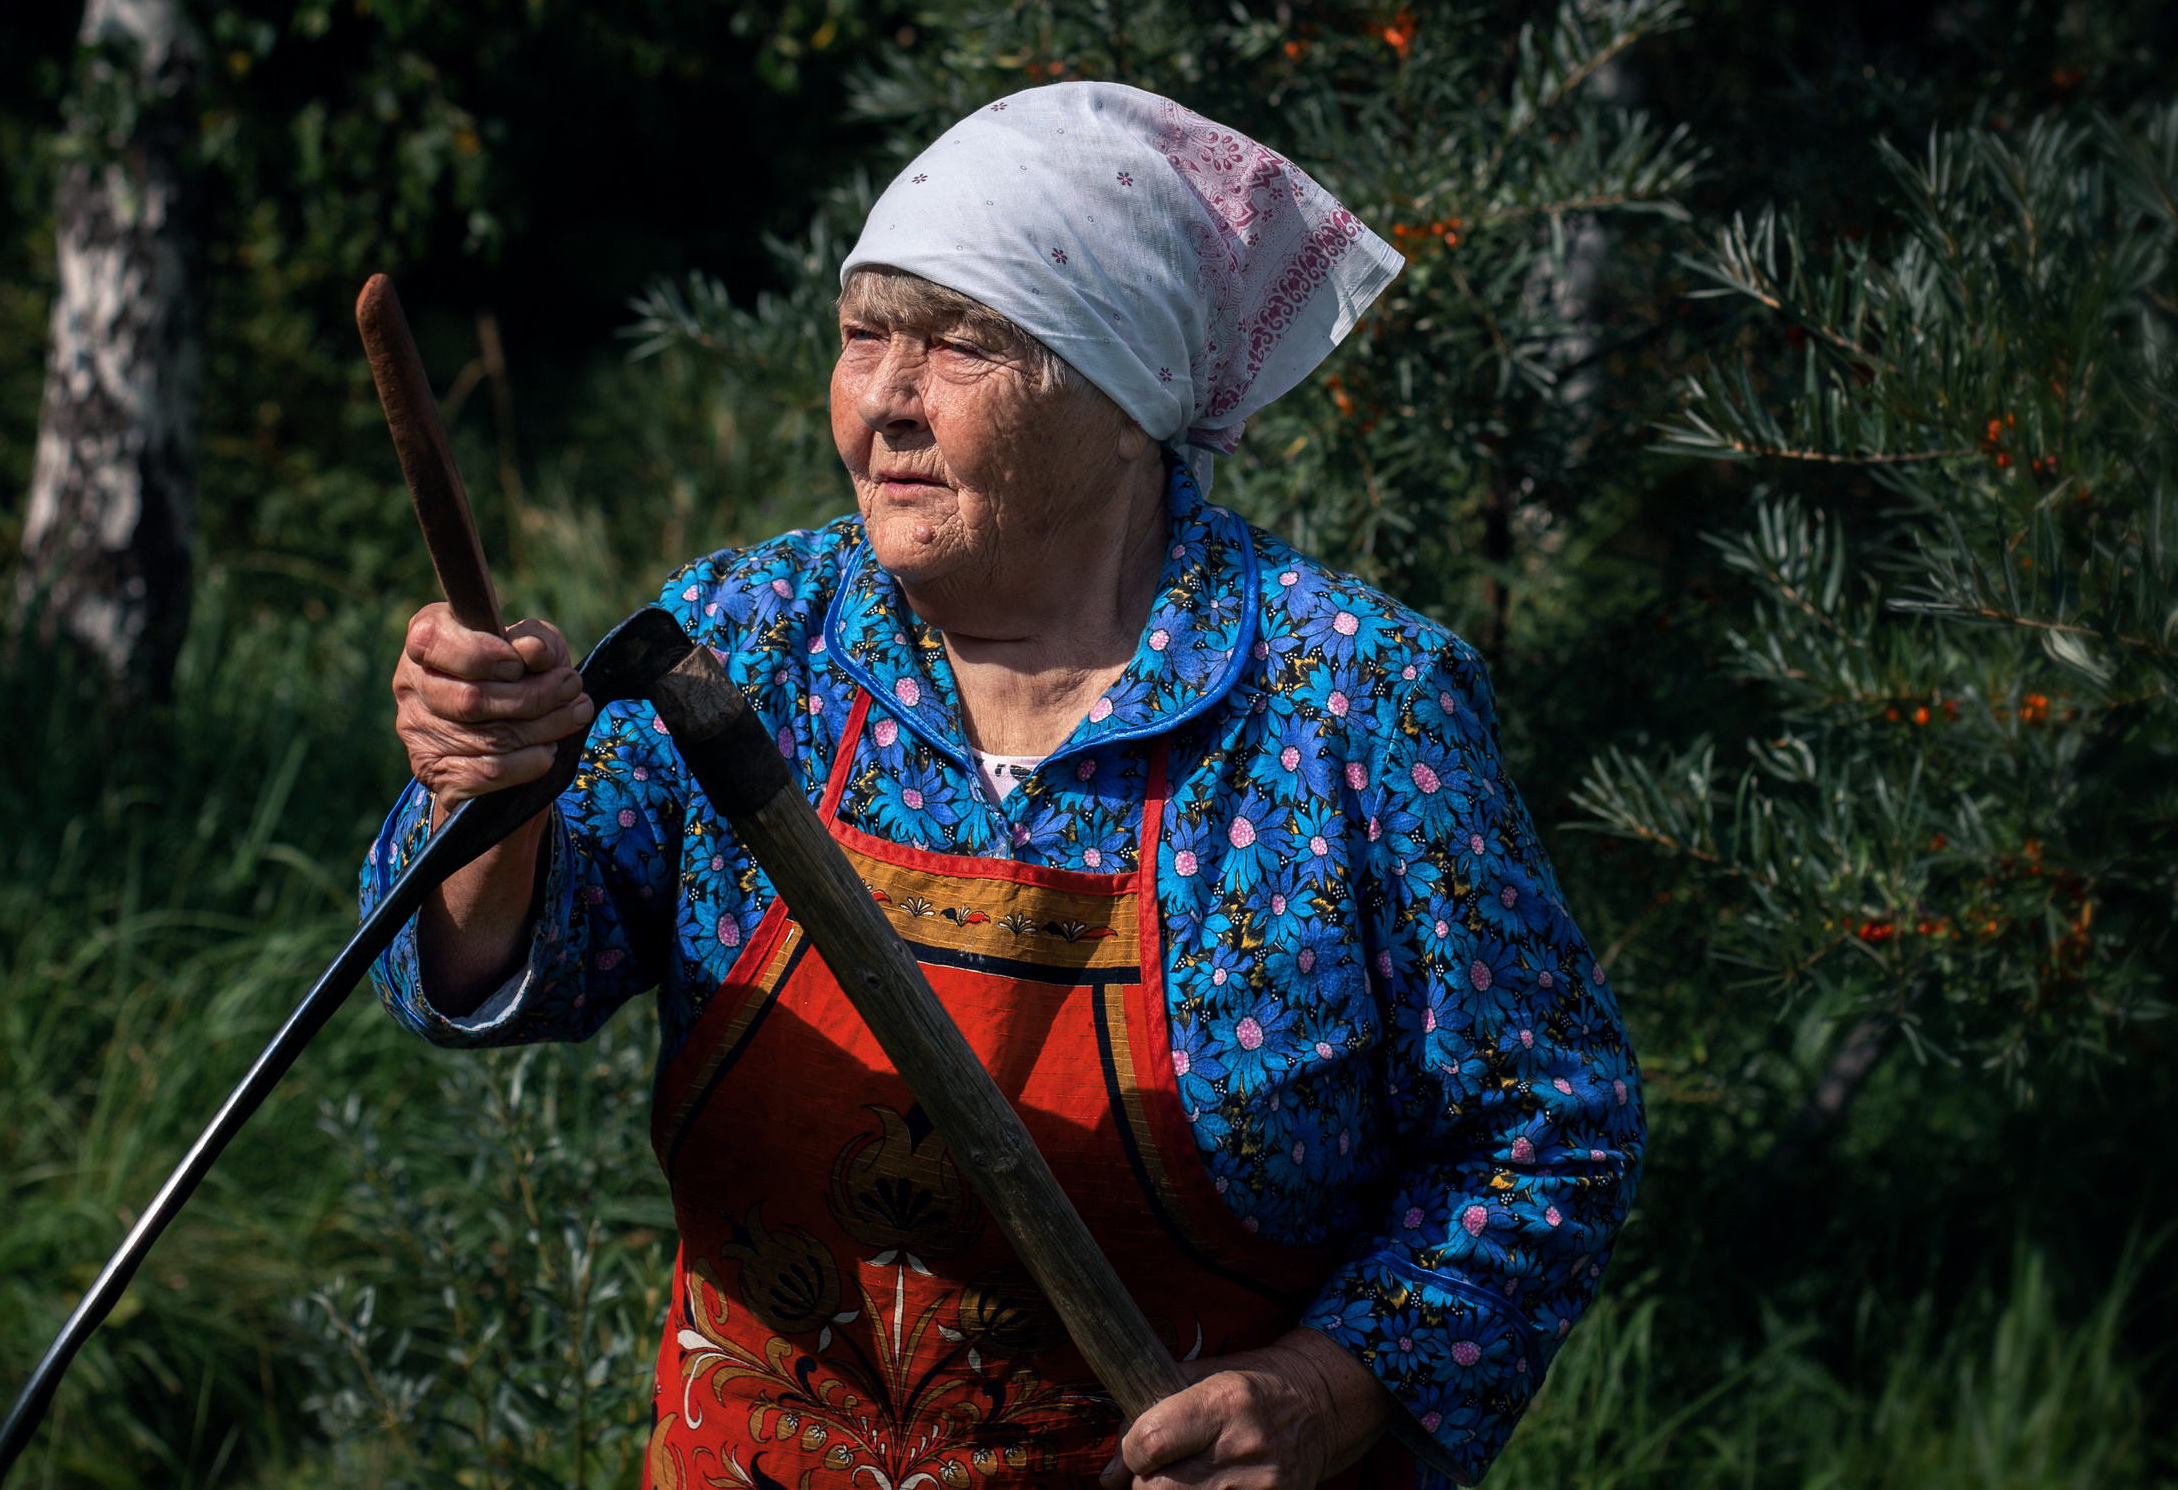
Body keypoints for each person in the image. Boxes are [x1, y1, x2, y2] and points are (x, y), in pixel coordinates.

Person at [362, 82, 1644, 1490]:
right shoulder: (747, 640)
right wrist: (489, 788)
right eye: (863, 338)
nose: (887, 403)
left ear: (1126, 403)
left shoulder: (1355, 704)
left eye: (963, 344)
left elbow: (1545, 1133)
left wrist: (1326, 1393)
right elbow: (501, 975)